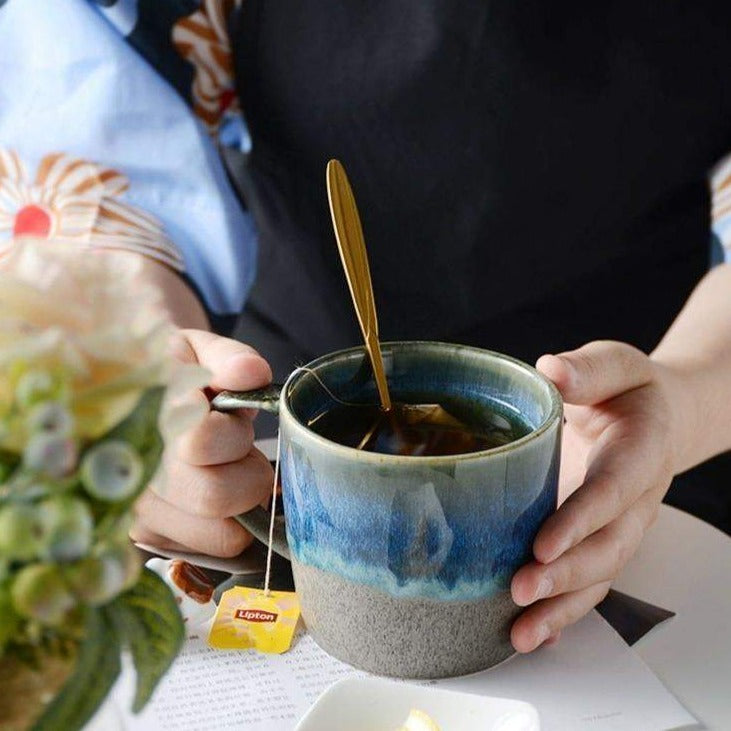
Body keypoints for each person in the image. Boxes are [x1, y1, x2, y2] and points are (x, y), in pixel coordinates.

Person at [2, 0, 731, 655]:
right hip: (283, 445)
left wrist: (684, 399)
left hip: (659, 453)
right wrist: (141, 366)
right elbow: (95, 155)